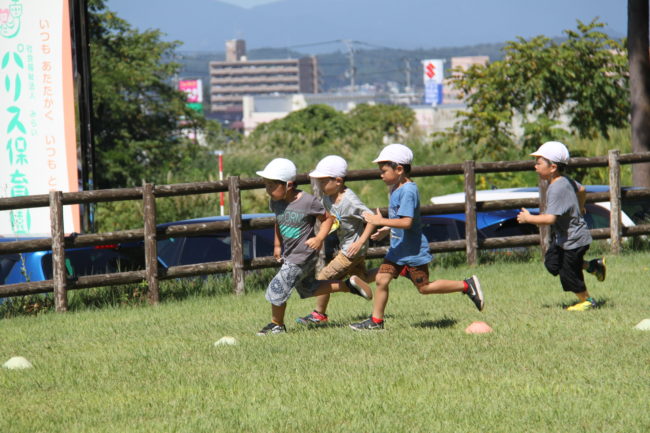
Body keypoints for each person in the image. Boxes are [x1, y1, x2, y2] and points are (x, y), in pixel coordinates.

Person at [350, 144, 484, 331]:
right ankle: (376, 322)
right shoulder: (396, 188)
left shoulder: (408, 191)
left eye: (383, 171)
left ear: (399, 169)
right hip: (398, 249)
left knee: (424, 288)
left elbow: (407, 222)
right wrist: (387, 228)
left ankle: (466, 285)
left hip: (413, 250)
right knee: (381, 279)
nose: (380, 175)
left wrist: (380, 221)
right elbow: (400, 219)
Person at [255, 158, 373, 335]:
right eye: (266, 185)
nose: (268, 189)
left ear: (289, 185)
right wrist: (277, 244)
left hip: (304, 254)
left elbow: (327, 219)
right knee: (308, 288)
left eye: (272, 185)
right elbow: (278, 221)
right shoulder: (275, 202)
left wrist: (319, 238)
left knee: (277, 287)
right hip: (291, 254)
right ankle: (348, 286)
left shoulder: (307, 201)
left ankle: (276, 324)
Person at [516, 141, 606, 311]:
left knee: (568, 272)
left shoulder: (556, 188)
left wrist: (528, 218)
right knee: (552, 263)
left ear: (553, 167)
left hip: (574, 239)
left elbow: (550, 219)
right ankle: (593, 266)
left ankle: (587, 301)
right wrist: (580, 207)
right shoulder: (565, 180)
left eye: (539, 163)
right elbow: (582, 189)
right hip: (565, 238)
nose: (535, 166)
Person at [296, 155, 377, 326]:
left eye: (323, 182)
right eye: (318, 182)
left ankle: (319, 315)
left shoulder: (350, 200)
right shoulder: (327, 197)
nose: (319, 186)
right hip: (349, 247)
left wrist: (360, 242)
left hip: (352, 250)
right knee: (362, 277)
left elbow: (372, 219)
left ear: (338, 181)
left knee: (323, 277)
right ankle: (394, 269)